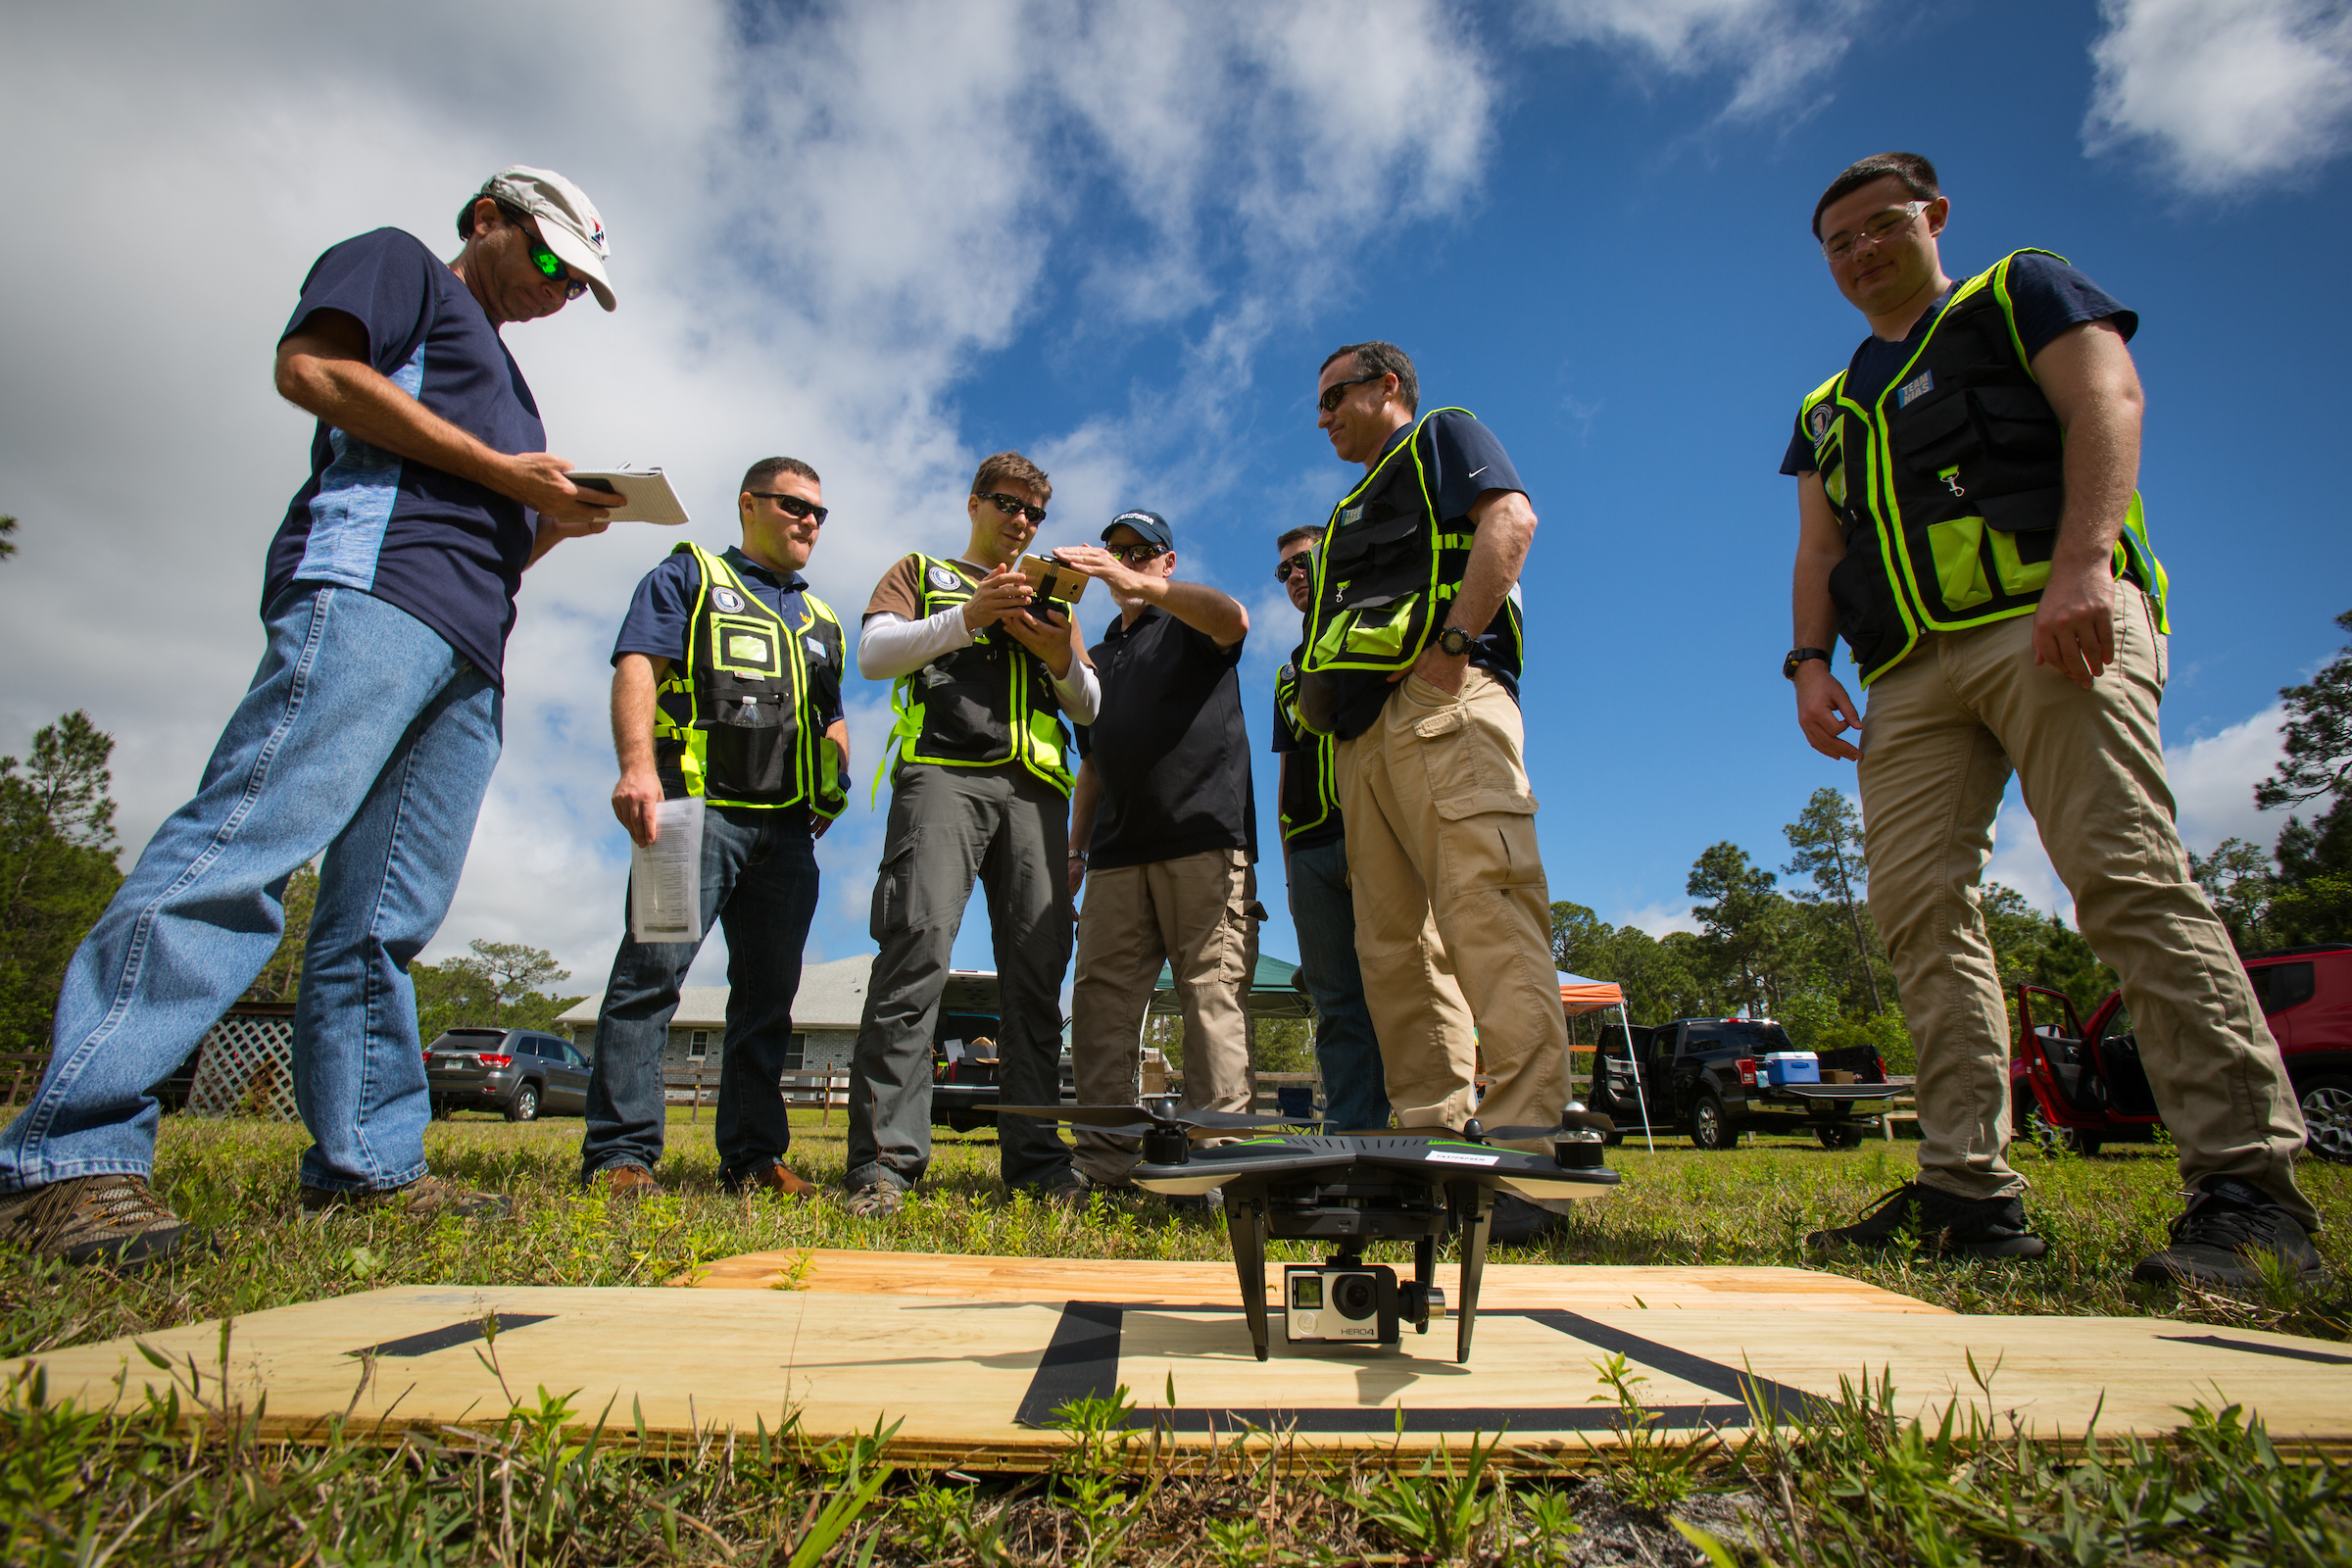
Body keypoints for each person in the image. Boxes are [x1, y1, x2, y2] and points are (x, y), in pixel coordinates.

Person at [0, 167, 627, 1265]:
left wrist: (553, 525)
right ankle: (68, 1153)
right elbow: (314, 370)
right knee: (244, 846)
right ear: (488, 218)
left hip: (470, 643)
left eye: (579, 288)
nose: (559, 294)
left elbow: (485, 525)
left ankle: (366, 1164)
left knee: (383, 916)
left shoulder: (508, 378)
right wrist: (505, 471)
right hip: (372, 594)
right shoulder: (402, 268)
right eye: (549, 263)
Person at [1783, 152, 2321, 1286]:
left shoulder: (2018, 289)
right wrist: (1809, 662)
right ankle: (1966, 1191)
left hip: (2050, 618)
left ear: (1933, 217)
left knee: (2121, 873)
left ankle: (2248, 1187)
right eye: (1838, 243)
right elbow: (1821, 547)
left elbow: (2107, 400)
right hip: (1910, 676)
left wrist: (2083, 567)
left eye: (1881, 226)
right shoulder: (1828, 407)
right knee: (1920, 909)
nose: (1861, 253)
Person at [1298, 344, 1571, 1238]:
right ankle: (1433, 1157)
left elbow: (1513, 522)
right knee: (1395, 954)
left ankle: (1527, 1161)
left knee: (1488, 921)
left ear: (1389, 389)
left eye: (1336, 395)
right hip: (1362, 738)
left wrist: (1452, 651)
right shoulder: (1343, 509)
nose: (1324, 413)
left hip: (1444, 707)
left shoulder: (1443, 435)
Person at [579, 457, 852, 1200]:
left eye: (820, 513)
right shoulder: (688, 575)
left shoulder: (823, 618)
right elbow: (639, 663)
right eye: (795, 506)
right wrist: (637, 768)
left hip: (788, 836)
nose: (810, 522)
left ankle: (754, 1159)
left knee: (768, 999)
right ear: (748, 505)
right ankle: (621, 1156)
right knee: (649, 980)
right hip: (689, 810)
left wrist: (833, 785)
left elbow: (831, 714)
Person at [845, 453, 1097, 1216]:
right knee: (915, 951)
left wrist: (1057, 654)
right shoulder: (920, 571)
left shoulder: (1059, 600)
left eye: (1033, 512)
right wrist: (969, 617)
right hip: (944, 778)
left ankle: (1036, 1161)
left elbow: (1088, 706)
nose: (1020, 520)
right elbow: (873, 654)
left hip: (1036, 797)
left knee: (1036, 975)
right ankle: (885, 1165)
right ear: (973, 504)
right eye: (1006, 504)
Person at [1057, 511, 1257, 1191]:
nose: (1125, 561)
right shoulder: (1103, 656)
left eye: (1141, 553)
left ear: (1167, 563)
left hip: (1202, 841)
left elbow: (1235, 619)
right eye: (1115, 552)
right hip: (1114, 854)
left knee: (1209, 998)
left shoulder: (1193, 625)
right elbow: (1092, 762)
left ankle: (1218, 1166)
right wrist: (1075, 850)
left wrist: (1138, 585)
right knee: (1100, 1003)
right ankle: (1105, 1161)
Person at [1272, 525, 1470, 1134]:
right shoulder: (1286, 673)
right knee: (1335, 1003)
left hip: (1380, 832)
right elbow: (1288, 764)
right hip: (1310, 846)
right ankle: (1351, 1136)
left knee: (1408, 978)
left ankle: (1432, 1129)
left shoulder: (1373, 638)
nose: (1296, 578)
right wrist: (1285, 856)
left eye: (1304, 563)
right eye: (1284, 573)